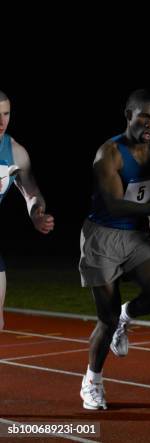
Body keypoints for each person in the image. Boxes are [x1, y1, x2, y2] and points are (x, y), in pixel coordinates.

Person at [78, 89, 150, 410]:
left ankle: (129, 315)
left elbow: (140, 194)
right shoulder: (109, 153)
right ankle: (91, 381)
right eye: (144, 116)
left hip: (133, 238)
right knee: (105, 319)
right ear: (129, 115)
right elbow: (114, 204)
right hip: (101, 238)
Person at [0, 90, 54, 330]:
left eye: (6, 114)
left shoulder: (16, 153)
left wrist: (36, 214)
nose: (1, 121)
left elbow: (31, 193)